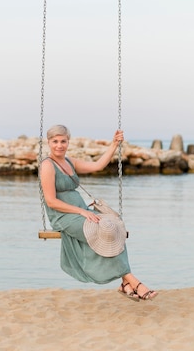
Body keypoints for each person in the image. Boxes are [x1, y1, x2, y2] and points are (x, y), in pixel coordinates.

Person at [40, 125, 158, 301]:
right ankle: (132, 281)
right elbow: (51, 201)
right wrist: (81, 211)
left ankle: (126, 283)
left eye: (63, 141)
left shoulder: (69, 161)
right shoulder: (47, 166)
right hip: (63, 216)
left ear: (68, 142)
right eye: (55, 141)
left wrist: (113, 145)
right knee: (102, 230)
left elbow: (98, 165)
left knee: (115, 226)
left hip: (82, 213)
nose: (59, 145)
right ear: (48, 143)